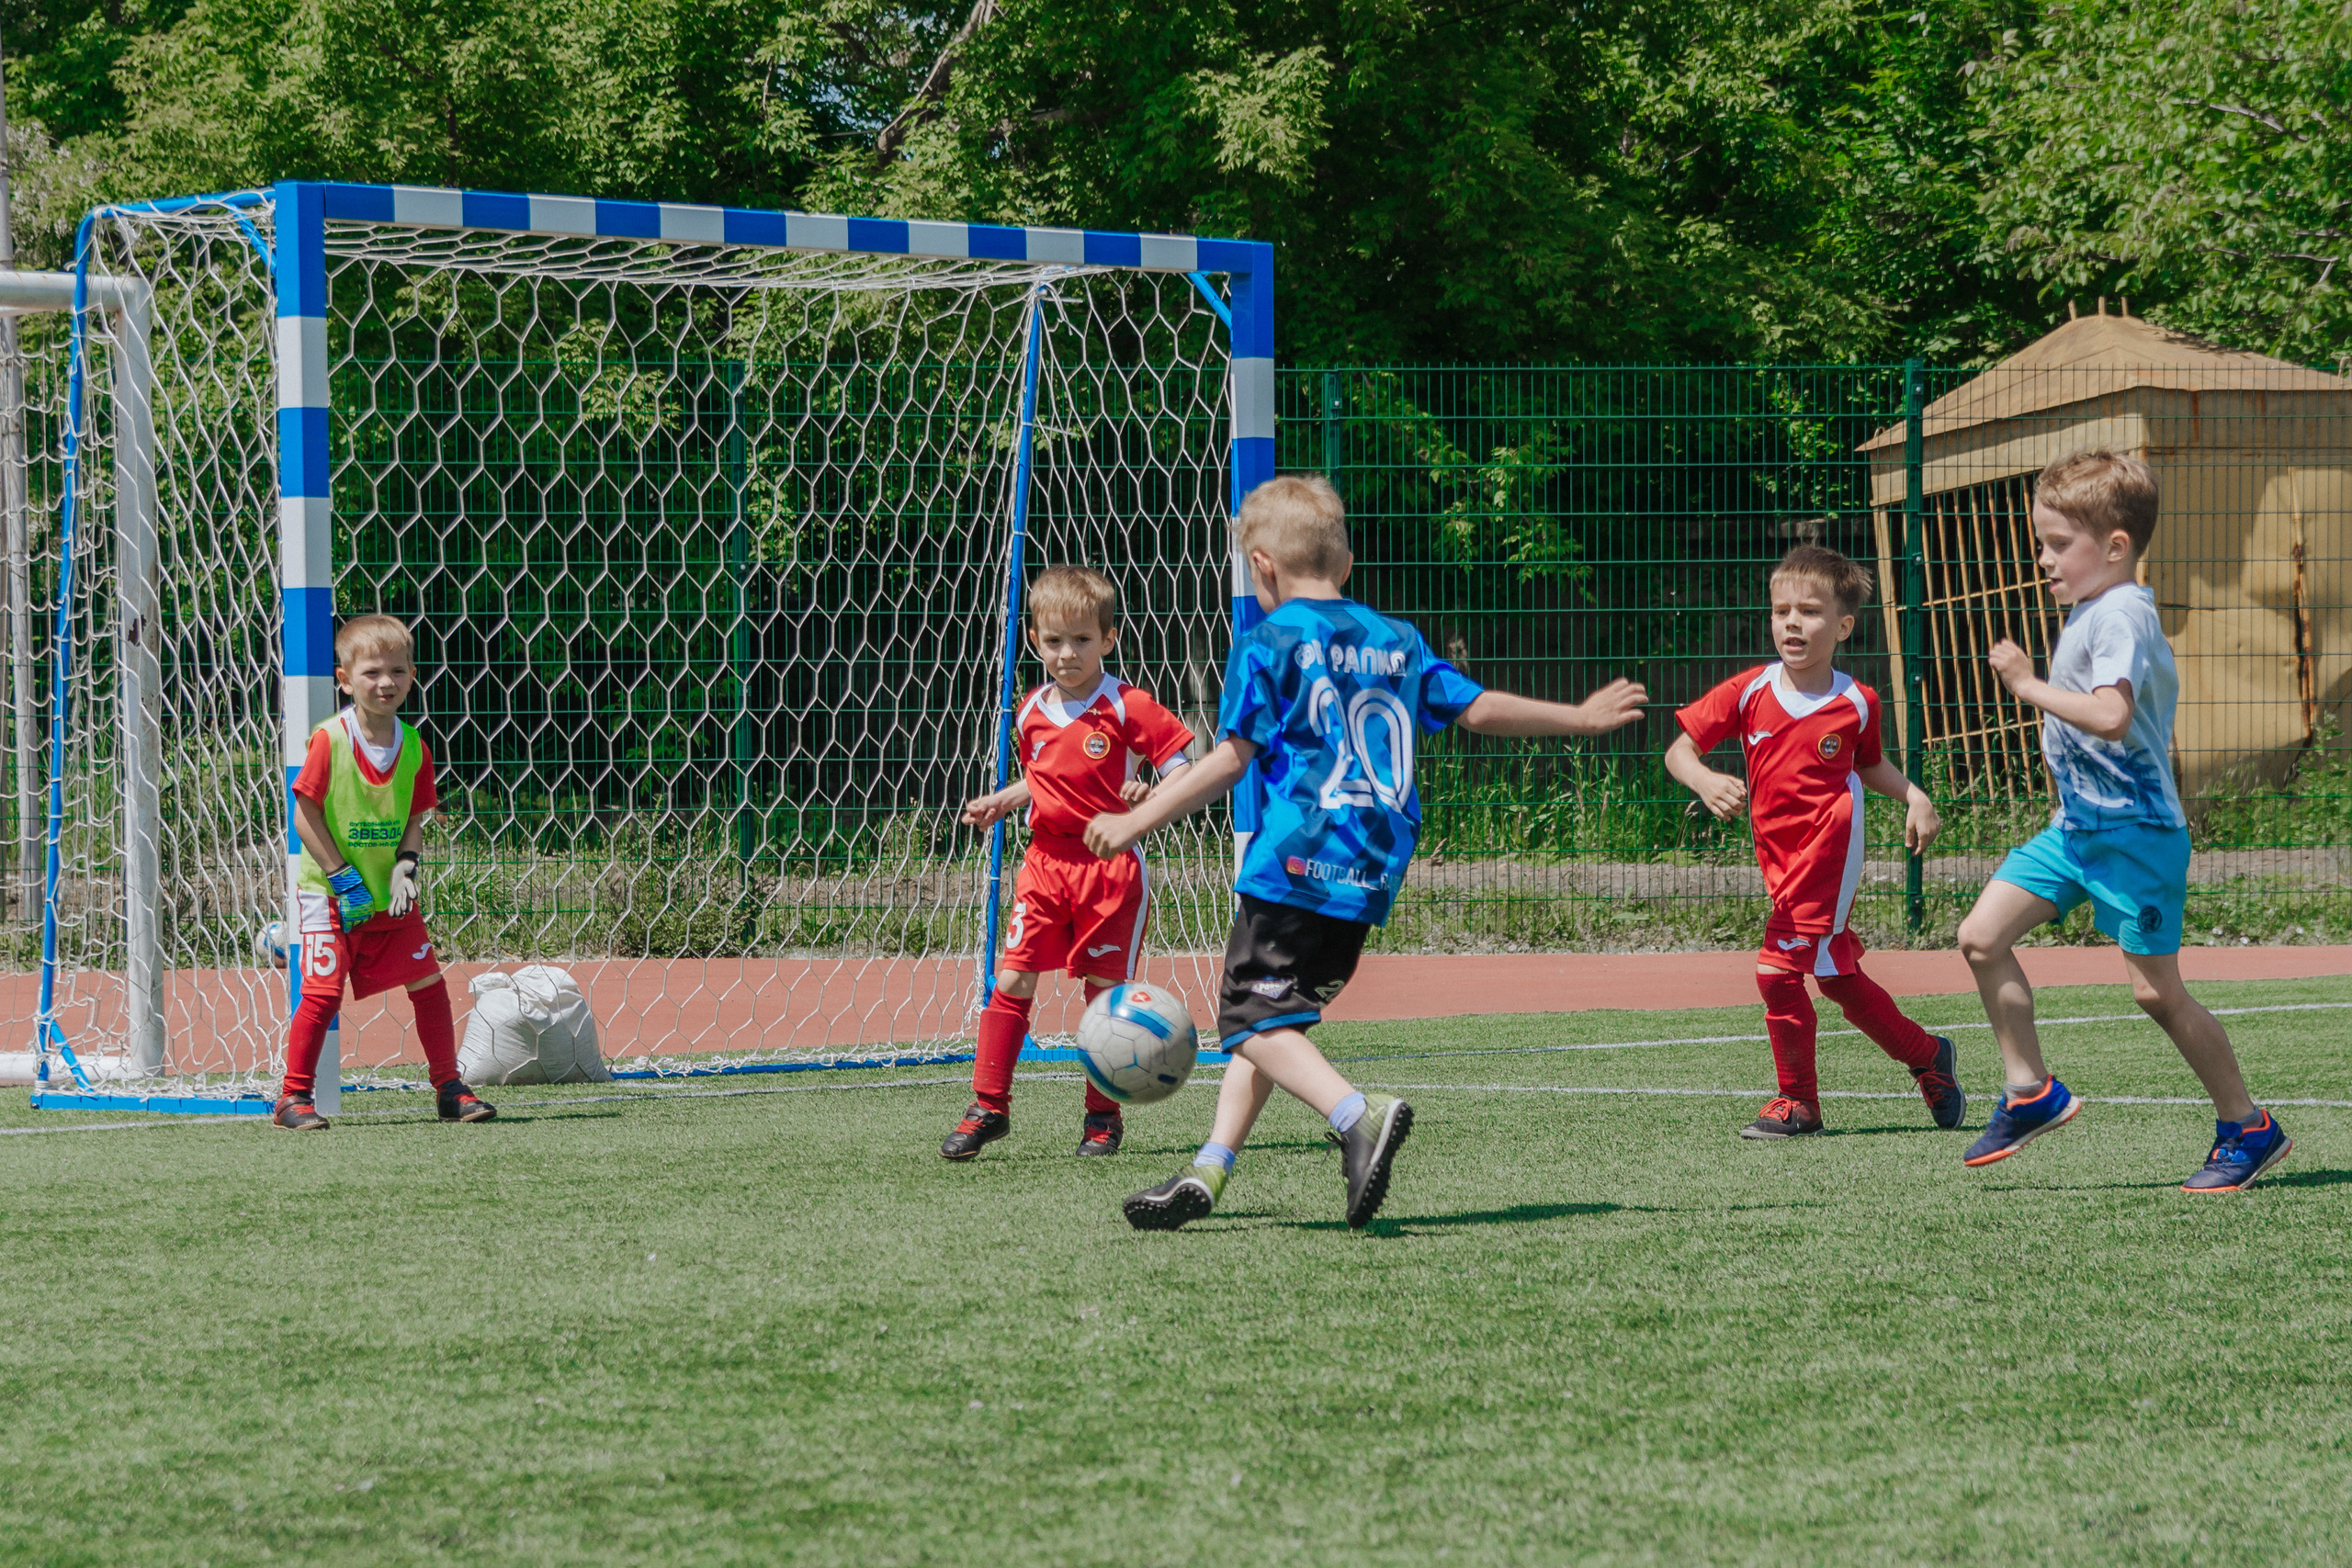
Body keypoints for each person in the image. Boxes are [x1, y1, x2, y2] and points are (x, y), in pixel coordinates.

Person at [1088, 474, 1648, 1230]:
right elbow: (1477, 707)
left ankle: (1357, 1115)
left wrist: (1137, 820)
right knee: (1273, 1023)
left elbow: (1229, 759)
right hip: (1370, 873)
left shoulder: (1268, 640)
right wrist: (1577, 717)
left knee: (1248, 1017)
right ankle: (1210, 1170)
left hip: (1294, 861)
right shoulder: (1397, 639)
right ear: (1345, 562)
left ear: (1259, 567)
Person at [1957, 449, 2290, 1190]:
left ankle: (2247, 1124)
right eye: (2041, 540)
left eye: (2056, 543)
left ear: (2114, 545)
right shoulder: (2090, 609)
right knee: (1981, 937)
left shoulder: (2123, 615)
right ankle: (2030, 1090)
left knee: (2155, 992)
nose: (2042, 558)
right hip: (2077, 832)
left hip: (2138, 840)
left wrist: (2027, 685)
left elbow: (2111, 715)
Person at [1667, 545, 1966, 1139]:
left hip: (1829, 849)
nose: (1792, 623)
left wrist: (1915, 796)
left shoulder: (1856, 702)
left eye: (1809, 611)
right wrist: (1702, 779)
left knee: (1777, 970)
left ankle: (1798, 1102)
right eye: (1781, 611)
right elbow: (1679, 749)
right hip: (1780, 859)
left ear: (1844, 625)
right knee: (1835, 977)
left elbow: (1871, 765)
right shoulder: (1750, 689)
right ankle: (1927, 1053)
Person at [944, 565, 1196, 1160]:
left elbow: (1184, 767)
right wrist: (1007, 799)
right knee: (1011, 978)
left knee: (1105, 996)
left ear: (1108, 639)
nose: (1067, 652)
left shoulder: (1129, 706)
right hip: (1044, 865)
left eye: (1082, 639)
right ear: (1035, 639)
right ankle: (988, 1105)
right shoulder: (1031, 709)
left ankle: (1102, 1119)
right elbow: (1044, 777)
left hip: (1110, 871)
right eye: (1054, 640)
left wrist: (1150, 796)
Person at [274, 615, 495, 1130]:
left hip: (388, 895)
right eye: (371, 672)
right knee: (323, 994)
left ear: (413, 675)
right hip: (330, 893)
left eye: (397, 670)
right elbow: (303, 815)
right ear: (345, 679)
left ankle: (449, 1088)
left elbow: (416, 819)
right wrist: (341, 875)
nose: (385, 682)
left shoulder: (415, 746)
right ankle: (291, 1098)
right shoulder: (330, 739)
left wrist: (406, 870)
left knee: (428, 981)